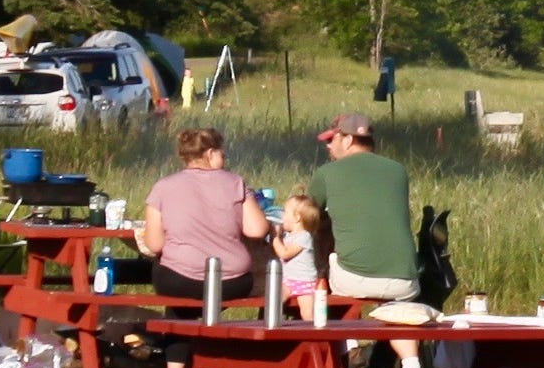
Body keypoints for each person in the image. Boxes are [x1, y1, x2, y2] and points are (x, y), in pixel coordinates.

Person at [291, 112, 421, 320]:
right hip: (405, 281)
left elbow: (306, 219)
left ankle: (346, 344)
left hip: (355, 279)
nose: (328, 146)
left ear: (348, 140)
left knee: (325, 261)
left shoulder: (328, 172)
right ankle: (405, 354)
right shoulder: (398, 170)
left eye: (332, 140)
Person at [140, 121, 270, 309]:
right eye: (222, 154)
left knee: (164, 273)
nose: (225, 160)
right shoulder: (235, 183)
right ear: (210, 154)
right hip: (232, 283)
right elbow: (257, 230)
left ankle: (176, 334)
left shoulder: (162, 187)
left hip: (178, 281)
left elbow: (154, 244)